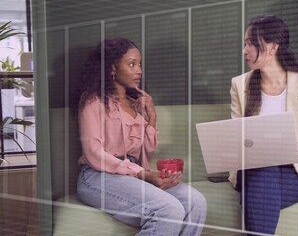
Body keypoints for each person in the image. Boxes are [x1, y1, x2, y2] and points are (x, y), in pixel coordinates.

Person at [75, 37, 207, 236]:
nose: (139, 70)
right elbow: (93, 153)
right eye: (131, 64)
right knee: (169, 210)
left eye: (140, 65)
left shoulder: (135, 104)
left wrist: (151, 117)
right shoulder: (93, 101)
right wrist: (142, 174)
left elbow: (143, 155)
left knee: (196, 202)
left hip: (132, 174)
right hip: (96, 177)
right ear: (112, 69)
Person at [228, 15, 298, 235]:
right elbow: (237, 134)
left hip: (294, 172)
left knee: (257, 194)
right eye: (245, 43)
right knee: (263, 168)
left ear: (273, 47)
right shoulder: (239, 85)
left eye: (251, 43)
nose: (245, 50)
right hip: (253, 168)